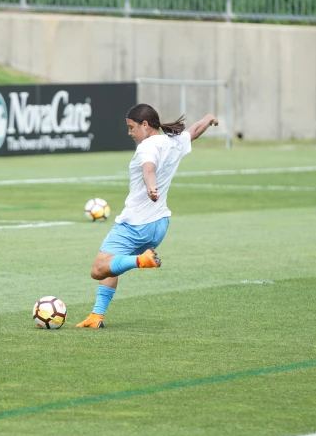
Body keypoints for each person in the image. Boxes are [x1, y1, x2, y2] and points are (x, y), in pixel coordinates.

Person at [76, 104, 219, 329]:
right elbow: (194, 131)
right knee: (113, 263)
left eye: (131, 127)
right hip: (159, 225)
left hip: (135, 224)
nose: (130, 133)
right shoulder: (173, 141)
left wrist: (151, 188)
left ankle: (141, 260)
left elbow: (148, 170)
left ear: (145, 125)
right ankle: (96, 316)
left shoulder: (147, 146)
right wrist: (208, 118)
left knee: (98, 269)